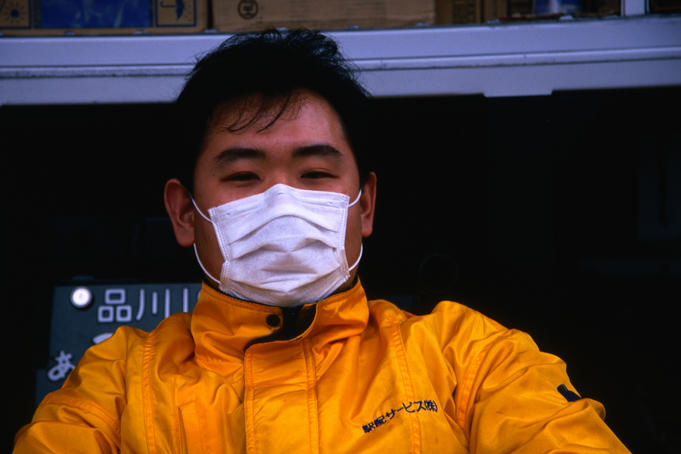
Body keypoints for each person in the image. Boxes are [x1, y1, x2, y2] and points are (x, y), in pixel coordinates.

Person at [13, 29, 630, 453]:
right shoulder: (117, 385)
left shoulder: (469, 358)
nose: (282, 202)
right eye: (243, 176)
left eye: (314, 174)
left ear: (365, 206)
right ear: (183, 213)